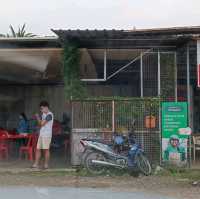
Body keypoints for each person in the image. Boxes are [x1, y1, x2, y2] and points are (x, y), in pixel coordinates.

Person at [32, 101, 54, 169]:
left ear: (46, 107)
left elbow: (42, 124)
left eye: (42, 109)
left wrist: (37, 116)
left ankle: (46, 165)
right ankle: (35, 164)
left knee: (46, 150)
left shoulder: (49, 115)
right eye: (40, 109)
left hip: (47, 135)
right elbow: (40, 124)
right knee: (38, 149)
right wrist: (39, 118)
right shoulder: (43, 114)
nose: (41, 110)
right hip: (42, 134)